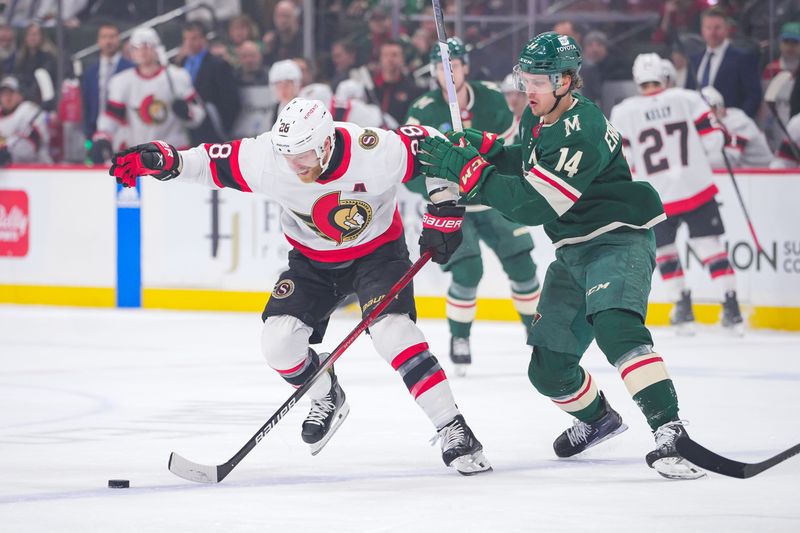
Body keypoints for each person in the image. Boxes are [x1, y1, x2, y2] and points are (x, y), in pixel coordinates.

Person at [107, 97, 492, 476]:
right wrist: (167, 160)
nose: (294, 164)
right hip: (312, 263)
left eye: (303, 154)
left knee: (393, 333)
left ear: (326, 143)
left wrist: (445, 205)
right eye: (288, 154)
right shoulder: (269, 159)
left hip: (377, 255)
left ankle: (453, 428)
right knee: (278, 343)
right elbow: (210, 161)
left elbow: (433, 144)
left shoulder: (371, 150)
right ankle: (326, 393)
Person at [417, 32, 705, 480]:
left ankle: (670, 430)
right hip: (572, 250)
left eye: (537, 81)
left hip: (617, 239)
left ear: (567, 80)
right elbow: (526, 159)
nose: (525, 89)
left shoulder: (582, 128)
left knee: (616, 326)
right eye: (523, 78)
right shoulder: (542, 117)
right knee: (549, 370)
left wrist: (466, 168)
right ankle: (599, 419)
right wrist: (482, 146)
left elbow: (532, 204)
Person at [404, 38, 540, 374]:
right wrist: (440, 194)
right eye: (440, 67)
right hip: (454, 207)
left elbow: (513, 148)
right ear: (432, 72)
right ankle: (459, 337)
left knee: (522, 264)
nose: (447, 73)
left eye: (453, 66)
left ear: (465, 67)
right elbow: (409, 171)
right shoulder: (422, 110)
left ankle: (538, 335)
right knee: (467, 271)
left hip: (493, 198)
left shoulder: (492, 98)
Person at [610, 53, 744, 334]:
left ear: (637, 80)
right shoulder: (689, 99)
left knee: (665, 252)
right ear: (664, 76)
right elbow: (713, 142)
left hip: (656, 196)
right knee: (711, 248)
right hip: (696, 187)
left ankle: (683, 309)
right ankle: (731, 309)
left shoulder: (623, 111)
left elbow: (626, 158)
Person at [88, 27, 205, 163]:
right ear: (131, 51)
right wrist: (102, 137)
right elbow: (111, 118)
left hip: (175, 153)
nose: (143, 51)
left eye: (148, 45)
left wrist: (188, 112)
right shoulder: (121, 82)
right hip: (138, 155)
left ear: (157, 48)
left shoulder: (178, 77)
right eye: (137, 47)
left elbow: (199, 113)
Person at [686, 7, 762, 118]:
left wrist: (739, 120)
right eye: (708, 28)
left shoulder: (743, 58)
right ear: (702, 30)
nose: (713, 32)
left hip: (731, 125)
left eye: (717, 28)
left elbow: (753, 96)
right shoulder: (694, 60)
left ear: (727, 29)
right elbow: (688, 93)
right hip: (699, 124)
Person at [177, 21, 241, 145]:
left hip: (212, 132)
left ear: (204, 39)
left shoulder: (218, 64)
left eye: (194, 38)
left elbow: (232, 101)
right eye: (186, 38)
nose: (189, 43)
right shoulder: (181, 62)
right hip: (187, 131)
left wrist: (222, 129)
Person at [81, 22, 134, 140]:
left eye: (112, 37)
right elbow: (86, 104)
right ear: (98, 41)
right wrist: (88, 132)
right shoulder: (90, 72)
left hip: (124, 133)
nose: (108, 41)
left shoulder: (131, 69)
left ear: (119, 39)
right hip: (95, 132)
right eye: (104, 37)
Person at [700, 86, 772, 168]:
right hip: (745, 174)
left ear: (718, 108)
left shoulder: (738, 122)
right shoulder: (714, 124)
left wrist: (696, 164)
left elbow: (730, 159)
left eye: (704, 110)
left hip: (764, 174)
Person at [0, 75, 49, 165]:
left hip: (37, 171)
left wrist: (8, 152)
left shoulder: (30, 111)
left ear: (20, 95)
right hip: (6, 171)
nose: (7, 97)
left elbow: (31, 144)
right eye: (3, 94)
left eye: (11, 93)